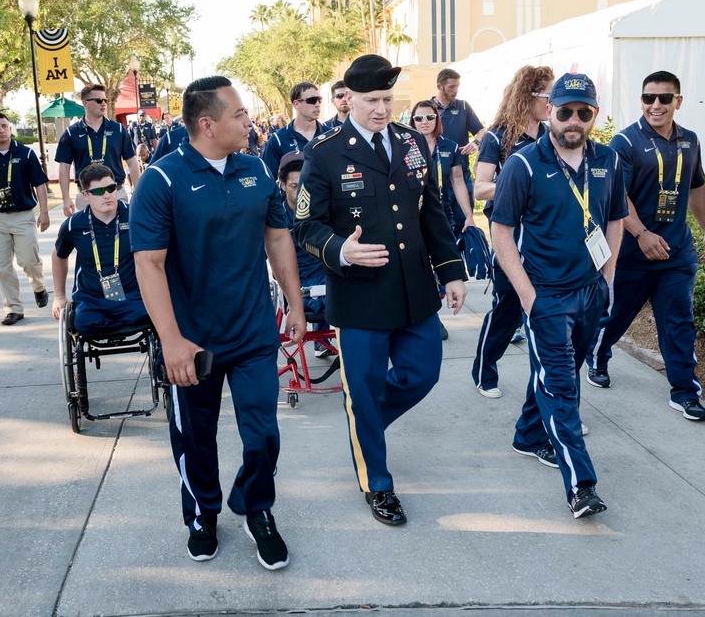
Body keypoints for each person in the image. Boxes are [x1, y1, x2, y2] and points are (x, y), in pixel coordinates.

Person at [129, 75, 306, 571]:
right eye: (239, 115)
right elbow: (150, 264)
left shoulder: (257, 171)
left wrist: (294, 303)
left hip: (252, 332)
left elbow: (277, 239)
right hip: (193, 341)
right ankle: (202, 514)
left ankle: (257, 508)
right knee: (195, 438)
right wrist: (172, 342)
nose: (249, 122)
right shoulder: (161, 181)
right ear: (207, 124)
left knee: (264, 434)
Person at [295, 55, 468, 526]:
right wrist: (341, 252)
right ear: (348, 99)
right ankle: (378, 483)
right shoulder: (326, 151)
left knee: (422, 373)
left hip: (414, 290)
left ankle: (363, 425)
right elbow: (305, 226)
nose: (381, 109)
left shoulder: (413, 144)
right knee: (365, 391)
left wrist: (451, 270)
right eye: (373, 100)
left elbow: (431, 211)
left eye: (389, 100)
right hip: (360, 296)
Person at [490, 72, 627, 519]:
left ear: (594, 115)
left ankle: (528, 435)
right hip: (546, 296)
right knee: (563, 386)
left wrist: (607, 279)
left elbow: (614, 220)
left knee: (551, 378)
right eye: (564, 110)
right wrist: (528, 297)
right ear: (549, 111)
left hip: (591, 292)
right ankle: (581, 484)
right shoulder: (523, 164)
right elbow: (501, 232)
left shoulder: (608, 160)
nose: (573, 120)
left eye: (583, 112)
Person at [585, 71, 705, 422]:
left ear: (678, 101)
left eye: (664, 98)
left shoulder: (689, 140)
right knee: (615, 317)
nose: (655, 105)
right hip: (631, 254)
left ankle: (685, 391)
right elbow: (617, 196)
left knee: (679, 322)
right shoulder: (624, 143)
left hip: (676, 253)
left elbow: (696, 188)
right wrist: (641, 233)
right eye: (648, 98)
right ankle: (597, 355)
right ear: (641, 100)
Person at [471, 65, 555, 399]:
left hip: (544, 236)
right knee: (507, 308)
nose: (552, 104)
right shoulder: (497, 137)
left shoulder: (551, 135)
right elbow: (480, 189)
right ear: (529, 96)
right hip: (509, 235)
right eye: (548, 96)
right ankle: (484, 370)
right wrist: (520, 184)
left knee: (545, 313)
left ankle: (552, 393)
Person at [0, 112, 50, 325]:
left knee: (29, 260)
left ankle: (39, 287)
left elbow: (39, 184)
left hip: (23, 216)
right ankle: (13, 308)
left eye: (4, 126)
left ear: (10, 128)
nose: (1, 130)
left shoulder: (26, 154)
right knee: (3, 267)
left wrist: (44, 212)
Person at [50, 164, 148, 343]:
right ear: (85, 195)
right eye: (99, 191)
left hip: (132, 294)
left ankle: (115, 323)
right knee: (82, 323)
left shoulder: (136, 216)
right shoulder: (74, 225)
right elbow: (58, 256)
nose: (107, 195)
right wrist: (59, 296)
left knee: (149, 315)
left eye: (111, 188)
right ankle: (112, 322)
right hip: (91, 298)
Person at [410, 99, 476, 341]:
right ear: (412, 121)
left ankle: (432, 314)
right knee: (420, 266)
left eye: (429, 117)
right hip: (413, 215)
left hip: (442, 214)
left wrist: (468, 215)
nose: (424, 122)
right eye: (419, 118)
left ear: (437, 119)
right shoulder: (405, 147)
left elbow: (458, 182)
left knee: (441, 265)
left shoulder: (449, 147)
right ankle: (430, 317)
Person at [55, 84, 140, 217]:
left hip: (115, 193)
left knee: (121, 236)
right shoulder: (71, 133)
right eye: (99, 100)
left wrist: (139, 191)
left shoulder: (118, 129)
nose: (104, 104)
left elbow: (132, 162)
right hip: (87, 196)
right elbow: (64, 168)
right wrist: (65, 199)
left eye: (105, 100)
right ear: (85, 103)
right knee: (89, 237)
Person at [277, 152, 331, 356]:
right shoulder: (275, 217)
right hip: (292, 279)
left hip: (321, 274)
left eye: (306, 184)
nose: (301, 191)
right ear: (282, 185)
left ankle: (323, 341)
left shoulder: (323, 210)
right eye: (294, 186)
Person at [432, 68, 486, 230]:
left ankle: (466, 255)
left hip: (462, 174)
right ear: (439, 86)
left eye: (457, 86)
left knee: (466, 224)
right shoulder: (428, 110)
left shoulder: (463, 107)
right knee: (441, 228)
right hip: (437, 178)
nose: (455, 91)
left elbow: (482, 130)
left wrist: (475, 143)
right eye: (451, 87)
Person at [261, 82, 330, 178]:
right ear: (296, 104)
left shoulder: (330, 134)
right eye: (312, 100)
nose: (318, 104)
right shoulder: (278, 139)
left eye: (319, 100)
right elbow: (268, 179)